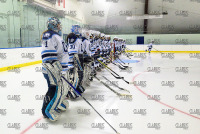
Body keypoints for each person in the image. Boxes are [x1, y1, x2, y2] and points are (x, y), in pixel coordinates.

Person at [41, 17, 69, 121]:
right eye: (58, 24)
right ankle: (47, 110)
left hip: (52, 67)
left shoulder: (51, 35)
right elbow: (54, 54)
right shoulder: (53, 36)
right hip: (52, 67)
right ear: (53, 25)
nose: (59, 26)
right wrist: (60, 67)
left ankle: (54, 104)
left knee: (54, 88)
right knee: (55, 88)